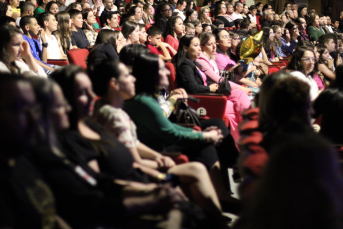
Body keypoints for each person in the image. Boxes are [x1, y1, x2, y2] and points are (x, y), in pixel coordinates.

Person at [90, 59, 233, 228]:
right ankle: (217, 216)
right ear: (114, 83)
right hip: (134, 174)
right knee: (197, 164)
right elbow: (135, 161)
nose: (133, 79)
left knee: (198, 163)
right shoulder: (117, 115)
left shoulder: (110, 108)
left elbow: (132, 142)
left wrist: (157, 156)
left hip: (140, 162)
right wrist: (161, 171)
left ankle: (215, 213)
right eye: (128, 76)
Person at [124, 49, 241, 212]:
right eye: (161, 69)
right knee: (204, 140)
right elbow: (169, 132)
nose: (167, 72)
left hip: (162, 137)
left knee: (215, 125)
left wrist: (203, 134)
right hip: (157, 147)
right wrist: (204, 135)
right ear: (149, 75)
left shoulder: (148, 96)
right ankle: (223, 190)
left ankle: (224, 188)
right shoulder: (144, 101)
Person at [0, 73, 62, 228]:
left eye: (33, 108)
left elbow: (52, 218)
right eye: (19, 108)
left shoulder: (23, 159)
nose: (33, 118)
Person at [196, 32, 251, 141]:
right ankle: (248, 132)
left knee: (240, 99)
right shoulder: (201, 60)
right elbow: (219, 80)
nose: (213, 46)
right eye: (209, 44)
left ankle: (245, 136)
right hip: (213, 93)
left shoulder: (211, 59)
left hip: (219, 90)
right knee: (240, 95)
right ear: (202, 47)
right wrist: (241, 87)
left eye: (214, 43)